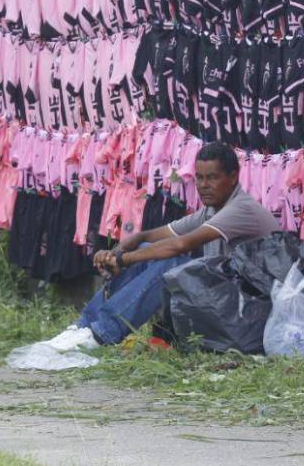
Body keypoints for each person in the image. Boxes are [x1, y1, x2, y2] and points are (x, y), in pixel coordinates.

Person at [42, 142, 278, 353]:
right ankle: (84, 326)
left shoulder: (240, 209)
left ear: (234, 177)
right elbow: (153, 236)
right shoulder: (212, 209)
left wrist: (124, 260)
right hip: (226, 301)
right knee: (147, 249)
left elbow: (179, 245)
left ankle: (102, 333)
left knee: (171, 262)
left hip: (251, 310)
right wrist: (119, 251)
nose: (204, 185)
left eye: (213, 178)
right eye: (199, 178)